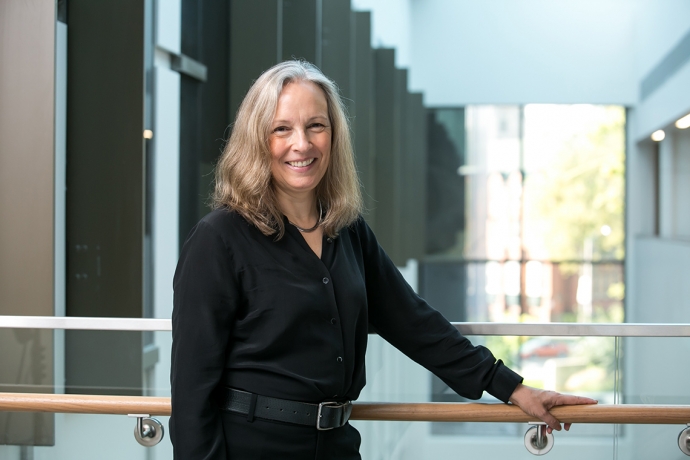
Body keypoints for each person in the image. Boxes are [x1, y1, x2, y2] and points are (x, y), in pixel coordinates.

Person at [170, 60, 596, 459]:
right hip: (252, 447)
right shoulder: (219, 239)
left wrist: (514, 389)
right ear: (257, 139)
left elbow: (413, 323)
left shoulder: (348, 232)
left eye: (316, 126)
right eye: (282, 128)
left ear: (333, 135)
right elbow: (192, 390)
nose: (301, 144)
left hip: (337, 445)